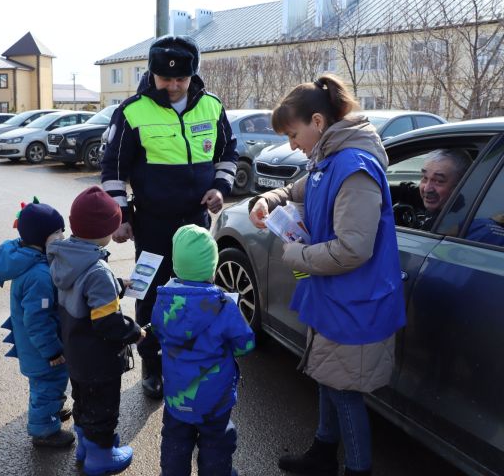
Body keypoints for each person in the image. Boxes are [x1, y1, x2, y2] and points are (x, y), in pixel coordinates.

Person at [249, 75, 406, 476]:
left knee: (344, 390)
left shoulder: (354, 169)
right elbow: (299, 189)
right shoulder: (329, 160)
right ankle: (322, 452)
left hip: (355, 301)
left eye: (293, 133)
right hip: (335, 297)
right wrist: (269, 198)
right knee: (327, 375)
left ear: (317, 121)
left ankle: (357, 468)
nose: (291, 144)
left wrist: (297, 254)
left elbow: (354, 248)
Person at [101, 35, 239, 399]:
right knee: (152, 294)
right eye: (166, 79)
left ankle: (188, 360)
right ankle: (152, 361)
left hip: (197, 223)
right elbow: (113, 169)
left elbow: (228, 154)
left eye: (182, 79)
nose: (174, 86)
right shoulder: (132, 111)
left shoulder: (212, 106)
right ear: (153, 74)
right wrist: (121, 215)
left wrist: (220, 189)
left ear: (193, 75)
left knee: (196, 293)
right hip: (153, 224)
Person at [47, 186, 147, 476]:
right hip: (98, 360)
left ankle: (85, 446)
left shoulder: (66, 258)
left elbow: (84, 289)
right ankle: (100, 457)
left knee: (83, 401)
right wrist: (135, 331)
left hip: (75, 353)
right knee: (103, 408)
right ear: (106, 230)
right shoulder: (97, 272)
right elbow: (108, 324)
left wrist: (117, 284)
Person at [152, 224, 255, 476]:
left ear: (176, 265)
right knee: (216, 442)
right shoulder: (223, 305)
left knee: (175, 441)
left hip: (177, 396)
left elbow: (157, 331)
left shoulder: (163, 301)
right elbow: (245, 344)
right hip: (215, 397)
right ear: (212, 267)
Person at [0, 199, 74, 448]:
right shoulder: (39, 275)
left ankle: (50, 411)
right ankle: (44, 430)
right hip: (42, 350)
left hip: (35, 346)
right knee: (48, 385)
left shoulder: (29, 258)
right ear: (41, 237)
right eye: (57, 232)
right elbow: (37, 319)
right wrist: (52, 349)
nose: (63, 235)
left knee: (46, 387)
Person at [418, 149, 471, 230]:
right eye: (425, 177)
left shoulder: (450, 227)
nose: (427, 189)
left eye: (439, 181)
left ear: (460, 185)